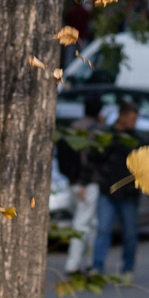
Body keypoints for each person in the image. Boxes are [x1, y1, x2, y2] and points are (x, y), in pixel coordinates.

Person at [90, 101, 146, 275]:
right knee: (103, 230)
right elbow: (95, 158)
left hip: (129, 193)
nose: (134, 123)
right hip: (108, 190)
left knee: (130, 233)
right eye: (131, 119)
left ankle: (128, 268)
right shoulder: (107, 135)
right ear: (122, 116)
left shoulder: (136, 139)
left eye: (135, 119)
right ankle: (97, 266)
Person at [58, 96, 106, 273]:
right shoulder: (95, 130)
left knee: (89, 222)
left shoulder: (73, 127)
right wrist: (85, 182)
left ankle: (88, 260)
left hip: (72, 181)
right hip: (87, 182)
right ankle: (74, 263)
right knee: (83, 222)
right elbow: (91, 160)